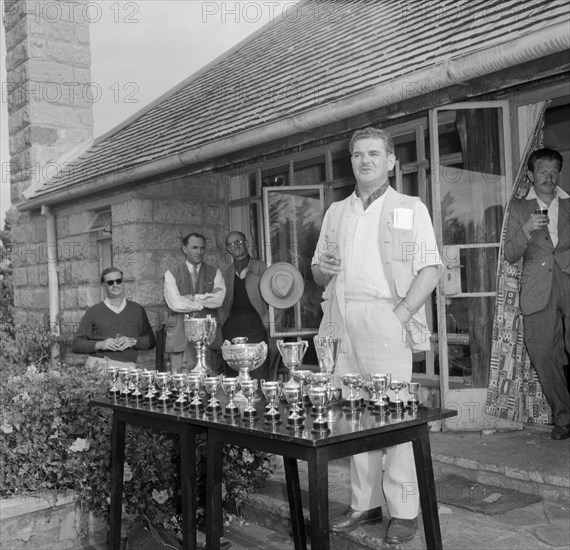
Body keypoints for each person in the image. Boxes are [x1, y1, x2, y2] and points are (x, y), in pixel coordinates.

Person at [311, 127, 442, 545]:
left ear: (390, 161)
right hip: (342, 316)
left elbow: (431, 269)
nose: (364, 161)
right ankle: (363, 504)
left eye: (373, 154)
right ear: (350, 162)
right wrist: (323, 270)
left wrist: (401, 313)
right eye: (357, 155)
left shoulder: (410, 207)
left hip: (387, 315)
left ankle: (404, 511)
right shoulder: (335, 212)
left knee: (394, 414)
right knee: (354, 415)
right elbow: (315, 272)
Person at [504, 147, 570, 441]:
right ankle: (564, 417)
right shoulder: (518, 208)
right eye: (543, 170)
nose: (549, 176)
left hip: (568, 278)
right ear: (530, 175)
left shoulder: (569, 205)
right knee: (544, 353)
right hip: (536, 288)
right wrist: (528, 228)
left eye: (554, 170)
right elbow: (509, 253)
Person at [219, 231, 278, 381]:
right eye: (231, 244)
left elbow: (280, 300)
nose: (235, 246)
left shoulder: (264, 268)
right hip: (231, 328)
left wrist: (268, 320)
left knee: (257, 374)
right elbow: (219, 301)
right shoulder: (225, 272)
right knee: (233, 376)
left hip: (256, 326)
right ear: (228, 249)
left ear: (247, 243)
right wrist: (222, 322)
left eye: (238, 242)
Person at [164, 232, 226, 373]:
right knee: (182, 385)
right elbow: (175, 304)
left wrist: (192, 297)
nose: (199, 252)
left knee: (209, 383)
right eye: (195, 247)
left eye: (202, 248)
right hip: (181, 338)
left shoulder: (215, 272)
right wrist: (204, 300)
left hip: (208, 339)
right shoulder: (171, 274)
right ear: (184, 249)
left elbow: (218, 300)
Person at [72, 267, 156, 367]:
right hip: (99, 364)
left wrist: (133, 341)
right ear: (103, 284)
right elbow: (76, 344)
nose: (115, 285)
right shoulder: (93, 312)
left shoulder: (137, 310)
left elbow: (151, 341)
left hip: (127, 368)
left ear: (122, 282)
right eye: (110, 282)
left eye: (118, 281)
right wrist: (100, 345)